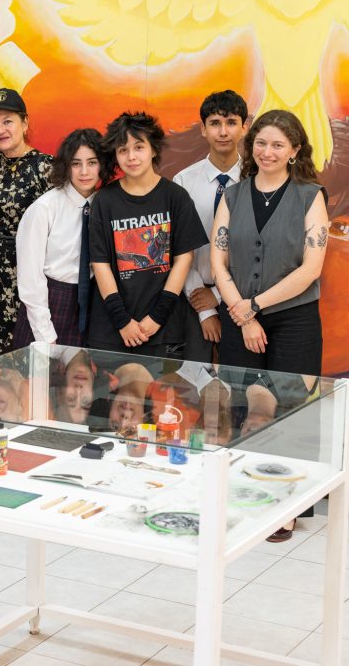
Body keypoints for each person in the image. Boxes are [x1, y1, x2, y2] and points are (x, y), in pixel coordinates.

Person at [210, 109, 328, 542]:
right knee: (246, 406)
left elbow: (311, 269)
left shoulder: (310, 196)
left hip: (294, 319)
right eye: (261, 143)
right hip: (239, 314)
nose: (268, 151)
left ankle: (287, 506)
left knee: (293, 409)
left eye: (278, 144)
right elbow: (218, 261)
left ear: (294, 150)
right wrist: (242, 314)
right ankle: (247, 492)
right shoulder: (233, 195)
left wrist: (254, 306)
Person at [88, 111, 206, 357]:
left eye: (139, 147)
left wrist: (157, 316)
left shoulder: (176, 197)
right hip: (113, 327)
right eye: (123, 150)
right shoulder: (104, 200)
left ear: (153, 149)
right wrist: (122, 320)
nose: (131, 156)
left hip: (164, 326)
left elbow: (184, 259)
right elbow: (100, 263)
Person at [0, 88, 53, 361]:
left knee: (21, 353)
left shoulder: (45, 167)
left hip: (26, 270)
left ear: (25, 122)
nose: (0, 130)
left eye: (8, 121)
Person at [15, 128, 110, 348]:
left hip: (91, 303)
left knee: (81, 370)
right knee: (40, 370)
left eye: (92, 163)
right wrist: (45, 333)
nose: (84, 172)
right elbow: (30, 278)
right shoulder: (44, 208)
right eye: (76, 164)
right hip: (49, 303)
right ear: (66, 166)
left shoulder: (105, 204)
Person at [173, 90, 249, 363]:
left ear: (244, 127)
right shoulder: (183, 182)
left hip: (244, 295)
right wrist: (205, 308)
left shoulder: (256, 181)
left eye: (231, 122)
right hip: (193, 294)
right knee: (194, 379)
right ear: (203, 129)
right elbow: (178, 248)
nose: (223, 131)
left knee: (239, 377)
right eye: (215, 123)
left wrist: (218, 295)